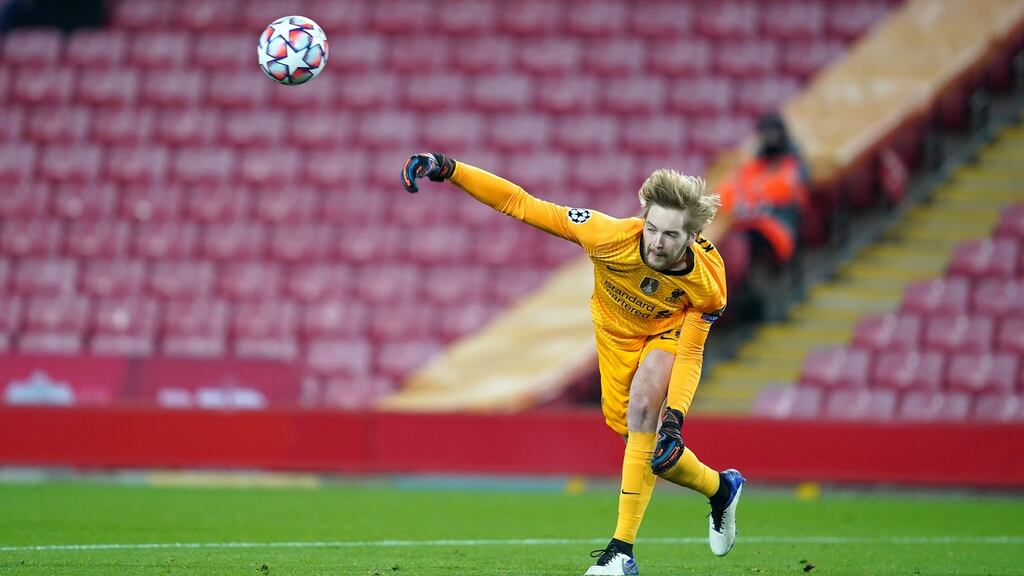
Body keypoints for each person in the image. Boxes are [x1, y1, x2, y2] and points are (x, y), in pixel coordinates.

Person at [402, 153, 745, 576]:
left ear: (692, 236)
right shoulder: (607, 235)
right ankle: (721, 487)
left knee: (645, 413)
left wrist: (673, 418)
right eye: (652, 228)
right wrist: (450, 168)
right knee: (653, 453)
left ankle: (621, 554)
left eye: (670, 235)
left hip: (666, 336)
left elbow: (691, 352)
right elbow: (522, 204)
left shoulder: (708, 286)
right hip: (615, 337)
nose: (656, 242)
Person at [716, 114, 809, 318]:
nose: (771, 139)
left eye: (774, 134)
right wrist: (754, 191)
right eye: (766, 134)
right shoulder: (756, 164)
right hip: (751, 226)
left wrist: (754, 192)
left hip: (780, 230)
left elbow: (783, 188)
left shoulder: (792, 163)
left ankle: (754, 301)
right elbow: (728, 192)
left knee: (741, 245)